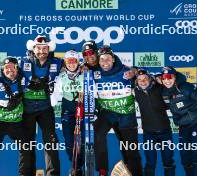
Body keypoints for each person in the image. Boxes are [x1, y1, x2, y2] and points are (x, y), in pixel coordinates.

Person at [93, 45, 143, 176]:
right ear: (98, 61)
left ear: (113, 59)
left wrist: (135, 71)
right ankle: (102, 171)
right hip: (108, 113)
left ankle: (134, 173)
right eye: (102, 60)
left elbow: (143, 76)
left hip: (126, 115)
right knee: (97, 134)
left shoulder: (125, 71)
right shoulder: (95, 73)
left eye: (108, 59)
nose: (105, 63)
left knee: (130, 149)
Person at [21, 35, 63, 176]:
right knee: (27, 144)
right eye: (38, 48)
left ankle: (53, 174)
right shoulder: (22, 62)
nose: (41, 51)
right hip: (27, 109)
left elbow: (73, 68)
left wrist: (84, 69)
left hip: (46, 109)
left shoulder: (58, 63)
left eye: (45, 48)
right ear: (33, 48)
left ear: (49, 49)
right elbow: (5, 73)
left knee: (50, 143)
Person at [160, 66, 197, 176]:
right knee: (185, 159)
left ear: (175, 77)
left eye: (169, 77)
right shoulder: (164, 92)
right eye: (164, 78)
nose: (167, 80)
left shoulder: (185, 87)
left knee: (195, 157)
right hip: (183, 126)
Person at [134, 68, 175, 176]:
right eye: (139, 79)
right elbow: (123, 69)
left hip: (165, 131)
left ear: (151, 79)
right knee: (150, 163)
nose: (143, 82)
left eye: (145, 79)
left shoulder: (160, 87)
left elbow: (178, 80)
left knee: (168, 162)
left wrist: (160, 78)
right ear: (136, 82)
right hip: (148, 133)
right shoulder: (136, 91)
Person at [52, 50, 85, 176]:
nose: (71, 64)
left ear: (78, 62)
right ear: (65, 63)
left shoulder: (85, 75)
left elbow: (93, 93)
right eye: (68, 61)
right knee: (69, 140)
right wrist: (50, 92)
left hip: (83, 109)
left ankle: (80, 167)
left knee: (82, 140)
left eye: (74, 61)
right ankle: (74, 165)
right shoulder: (61, 78)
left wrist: (94, 109)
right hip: (67, 110)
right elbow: (54, 99)